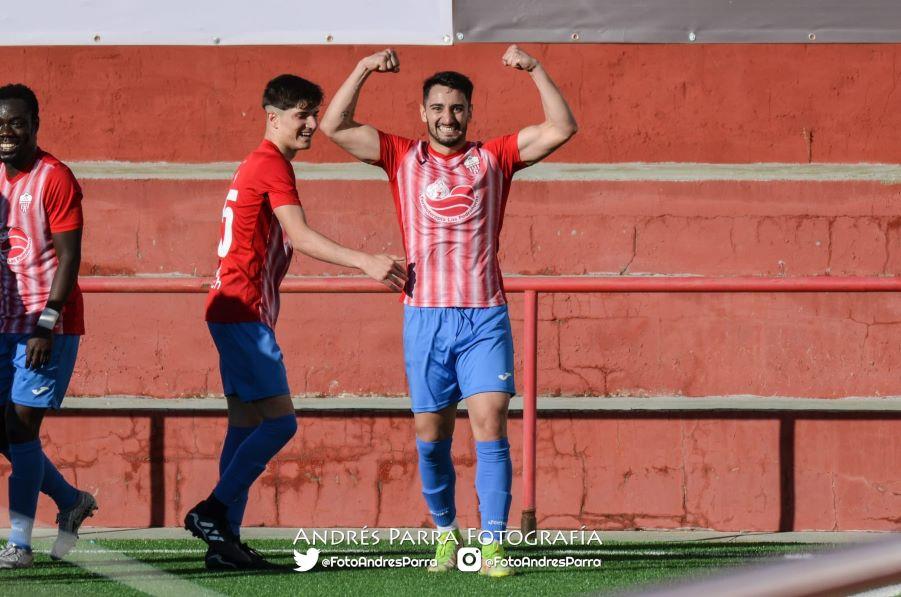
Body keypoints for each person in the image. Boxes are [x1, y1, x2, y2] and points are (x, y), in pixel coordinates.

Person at [321, 45, 577, 576]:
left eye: (457, 108)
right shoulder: (399, 156)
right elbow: (334, 125)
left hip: (484, 315)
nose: (447, 117)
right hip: (424, 316)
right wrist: (365, 68)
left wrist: (536, 71)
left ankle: (493, 545)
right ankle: (444, 533)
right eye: (438, 108)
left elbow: (561, 126)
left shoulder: (495, 157)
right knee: (431, 436)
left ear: (470, 112)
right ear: (423, 113)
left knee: (490, 424)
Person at [184, 74, 406, 570]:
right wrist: (366, 261)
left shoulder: (260, 164)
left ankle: (224, 546)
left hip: (233, 310)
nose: (310, 125)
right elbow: (300, 236)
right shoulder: (270, 165)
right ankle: (212, 512)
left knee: (244, 426)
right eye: (301, 115)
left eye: (313, 113)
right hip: (241, 313)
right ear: (272, 117)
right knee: (280, 423)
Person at [0, 84, 97, 569]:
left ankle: (19, 544)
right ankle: (70, 500)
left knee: (21, 427)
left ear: (35, 123)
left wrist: (47, 322)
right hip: (3, 322)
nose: (7, 133)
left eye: (16, 122)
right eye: (0, 124)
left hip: (45, 324)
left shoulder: (55, 177)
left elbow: (70, 256)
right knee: (5, 429)